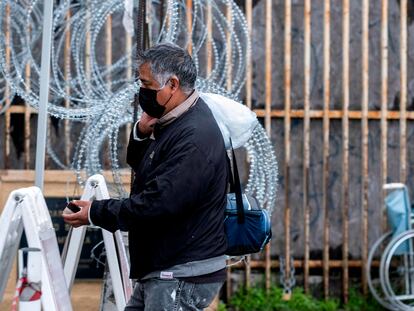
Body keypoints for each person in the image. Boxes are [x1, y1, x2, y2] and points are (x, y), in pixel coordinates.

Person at [63, 42, 229, 311]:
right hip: (167, 266)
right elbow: (146, 167)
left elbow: (158, 202)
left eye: (147, 85)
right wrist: (141, 132)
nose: (142, 92)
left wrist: (96, 213)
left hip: (181, 272)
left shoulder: (193, 136)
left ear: (172, 85)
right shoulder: (175, 121)